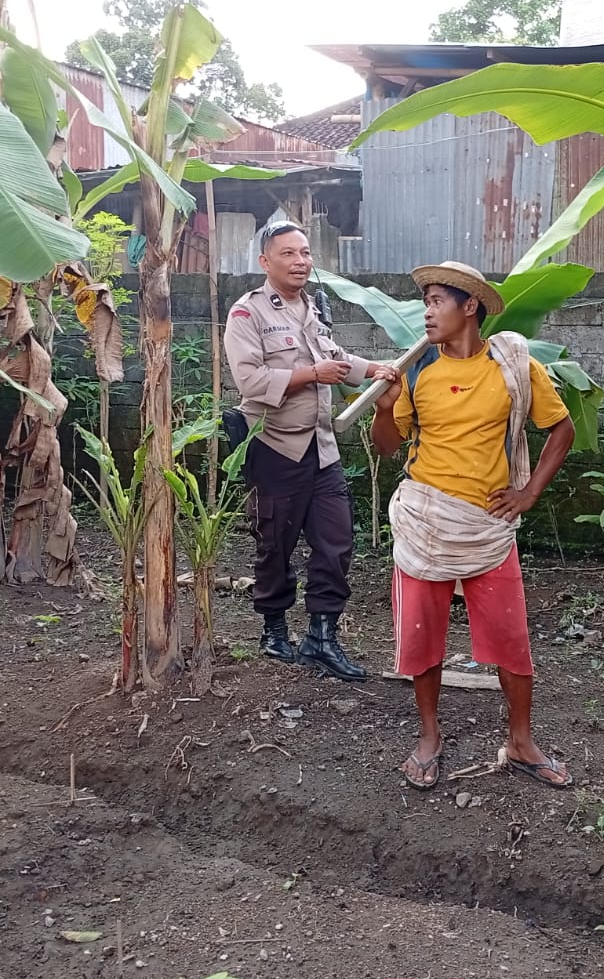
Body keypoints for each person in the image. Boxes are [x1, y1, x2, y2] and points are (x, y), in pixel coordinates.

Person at [370, 261, 576, 790]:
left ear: (469, 307)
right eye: (426, 300)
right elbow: (388, 447)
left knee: (511, 640)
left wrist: (529, 493)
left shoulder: (512, 365)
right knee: (421, 639)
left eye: (438, 299)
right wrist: (385, 408)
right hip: (424, 523)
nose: (427, 309)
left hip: (487, 528)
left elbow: (561, 429)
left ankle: (522, 741)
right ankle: (429, 736)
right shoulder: (417, 371)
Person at [222, 220, 398, 681]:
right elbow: (251, 383)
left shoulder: (314, 309)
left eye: (305, 253)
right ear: (265, 262)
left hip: (322, 449)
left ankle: (322, 636)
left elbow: (335, 359)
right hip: (274, 445)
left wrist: (374, 368)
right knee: (274, 544)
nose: (301, 261)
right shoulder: (248, 314)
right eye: (289, 254)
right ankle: (274, 631)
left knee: (337, 542)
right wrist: (309, 376)